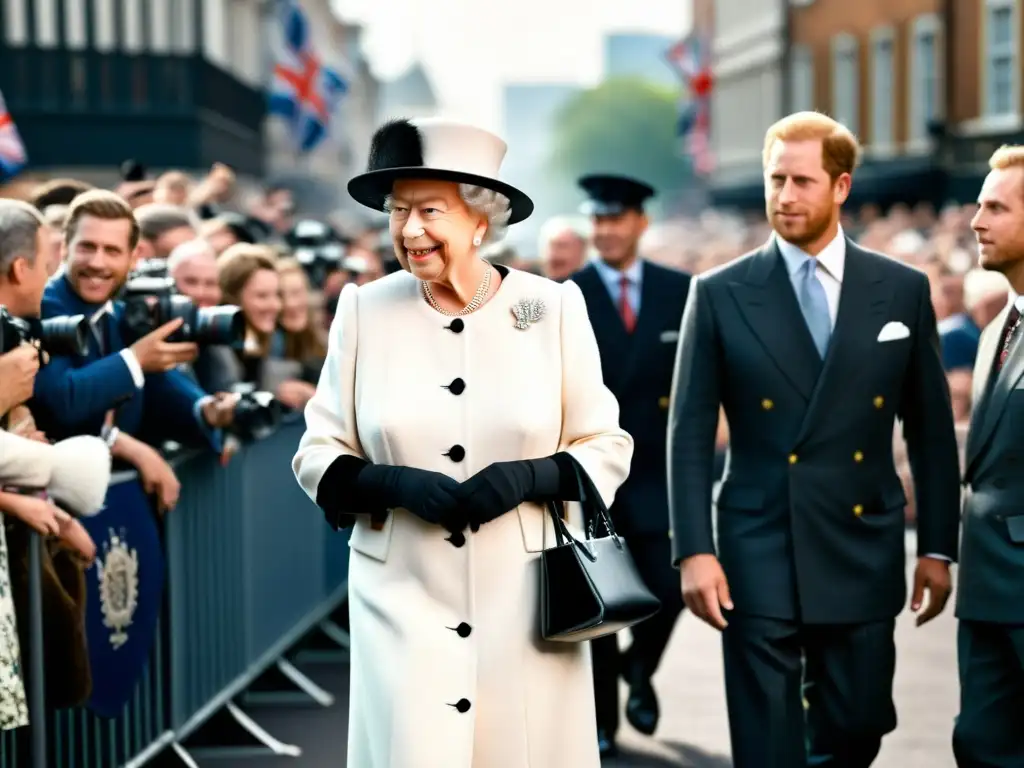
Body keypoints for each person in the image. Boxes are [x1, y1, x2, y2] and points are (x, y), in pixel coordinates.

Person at [292, 116, 633, 768]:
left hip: (526, 598)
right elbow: (317, 452)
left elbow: (606, 443)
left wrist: (529, 477)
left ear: (481, 221)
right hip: (401, 592)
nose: (409, 230)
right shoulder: (363, 310)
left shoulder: (552, 307)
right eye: (397, 211)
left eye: (429, 210)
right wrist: (392, 484)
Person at [667, 111, 960, 767]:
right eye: (776, 179)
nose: (785, 195)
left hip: (862, 539)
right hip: (755, 540)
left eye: (802, 181)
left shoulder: (903, 290)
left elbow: (932, 431)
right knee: (766, 739)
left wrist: (939, 545)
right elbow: (687, 434)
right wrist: (693, 550)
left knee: (857, 727)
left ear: (841, 186)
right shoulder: (718, 293)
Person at [570, 174, 690, 756]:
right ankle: (602, 723)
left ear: (641, 222)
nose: (606, 231)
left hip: (660, 473)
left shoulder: (681, 290)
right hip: (591, 476)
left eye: (616, 219)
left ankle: (640, 670)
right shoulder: (564, 295)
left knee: (668, 590)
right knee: (597, 608)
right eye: (597, 220)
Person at [953, 144, 1024, 766]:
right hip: (985, 592)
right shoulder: (994, 329)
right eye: (979, 203)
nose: (977, 220)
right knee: (978, 745)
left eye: (995, 208)